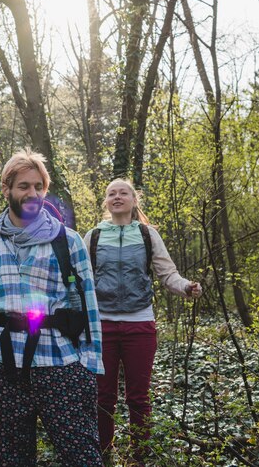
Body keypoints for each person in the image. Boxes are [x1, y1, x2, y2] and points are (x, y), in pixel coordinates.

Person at [0, 149, 104, 467]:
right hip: (2, 366)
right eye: (24, 186)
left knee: (82, 455)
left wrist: (89, 368)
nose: (33, 193)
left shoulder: (68, 242)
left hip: (61, 364)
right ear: (7, 189)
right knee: (9, 458)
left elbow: (90, 307)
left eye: (38, 186)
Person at [84, 178, 202, 466]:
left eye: (123, 192)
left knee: (138, 396)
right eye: (111, 193)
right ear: (106, 201)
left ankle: (141, 455)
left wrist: (186, 287)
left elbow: (167, 273)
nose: (117, 197)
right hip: (103, 325)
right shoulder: (94, 235)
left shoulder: (148, 235)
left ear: (134, 200)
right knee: (103, 396)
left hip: (141, 324)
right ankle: (104, 454)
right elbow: (81, 277)